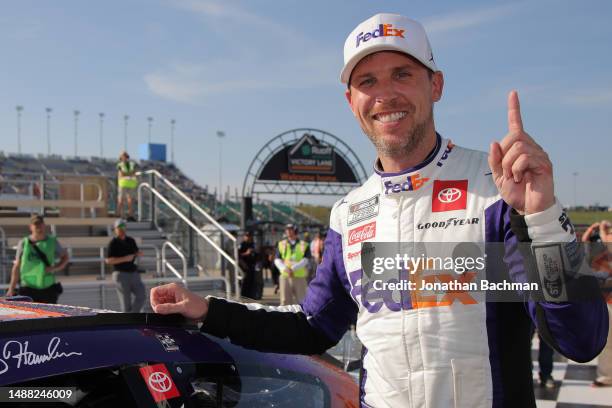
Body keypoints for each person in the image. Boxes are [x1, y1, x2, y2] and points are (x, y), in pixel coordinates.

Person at [150, 14, 608, 407]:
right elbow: (313, 326)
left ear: (436, 84)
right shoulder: (350, 213)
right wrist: (207, 310)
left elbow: (581, 340)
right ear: (351, 102)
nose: (385, 94)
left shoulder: (495, 190)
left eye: (402, 74)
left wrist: (543, 217)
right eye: (367, 81)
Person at [6, 214, 68, 303]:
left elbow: (65, 257)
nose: (38, 226)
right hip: (28, 288)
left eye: (40, 224)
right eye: (36, 224)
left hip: (48, 288)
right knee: (29, 316)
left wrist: (55, 268)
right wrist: (11, 288)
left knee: (50, 316)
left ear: (44, 225)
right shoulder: (24, 243)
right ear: (30, 227)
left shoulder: (52, 241)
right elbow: (17, 266)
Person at [583, 221, 612, 387]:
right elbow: (583, 253)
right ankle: (606, 376)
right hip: (606, 302)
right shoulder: (600, 255)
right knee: (607, 343)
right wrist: (589, 232)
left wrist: (602, 232)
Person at [105, 219, 144, 312]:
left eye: (123, 226)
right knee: (126, 303)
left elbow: (135, 252)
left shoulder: (131, 240)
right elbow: (108, 260)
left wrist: (138, 254)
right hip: (121, 274)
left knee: (141, 296)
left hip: (133, 273)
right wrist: (125, 258)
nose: (122, 229)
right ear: (115, 229)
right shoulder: (113, 243)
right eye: (119, 227)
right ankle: (129, 322)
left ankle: (131, 318)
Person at [273, 224, 311, 305]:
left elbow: (306, 259)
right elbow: (277, 259)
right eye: (287, 229)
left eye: (290, 229)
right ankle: (285, 318)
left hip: (299, 277)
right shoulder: (281, 244)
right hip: (285, 276)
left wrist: (293, 269)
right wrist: (284, 269)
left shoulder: (304, 244)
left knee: (302, 301)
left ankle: (302, 317)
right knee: (285, 302)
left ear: (295, 231)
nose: (288, 231)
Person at [116, 150, 138, 222]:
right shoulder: (119, 165)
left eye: (125, 155)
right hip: (123, 183)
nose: (124, 157)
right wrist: (130, 174)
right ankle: (118, 214)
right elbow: (121, 174)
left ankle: (130, 215)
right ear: (121, 157)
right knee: (121, 199)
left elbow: (134, 173)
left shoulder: (132, 164)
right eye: (123, 156)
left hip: (131, 184)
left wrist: (127, 174)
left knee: (130, 200)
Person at [238, 231, 258, 299]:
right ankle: (243, 296)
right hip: (244, 266)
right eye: (247, 236)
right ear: (244, 237)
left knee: (252, 281)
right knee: (244, 282)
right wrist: (246, 253)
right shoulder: (242, 244)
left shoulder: (253, 244)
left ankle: (251, 295)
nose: (248, 237)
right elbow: (238, 255)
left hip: (252, 265)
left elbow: (256, 254)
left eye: (249, 236)